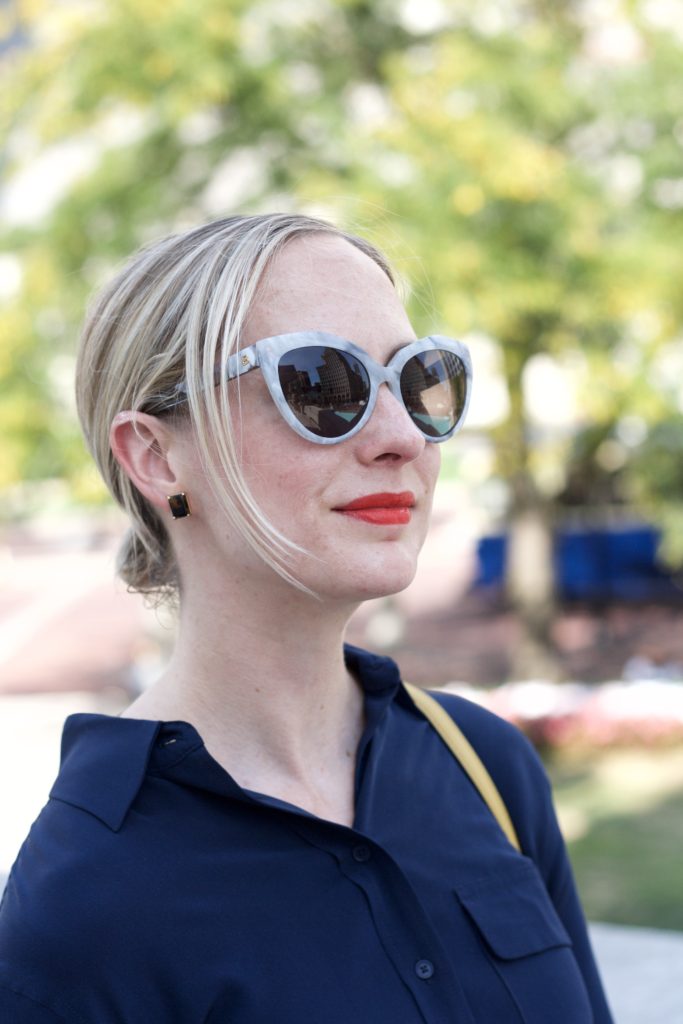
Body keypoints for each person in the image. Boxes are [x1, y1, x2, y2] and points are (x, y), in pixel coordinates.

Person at [0, 213, 613, 1023]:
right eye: (324, 385)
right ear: (156, 456)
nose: (401, 436)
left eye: (419, 378)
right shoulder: (80, 904)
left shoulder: (485, 768)